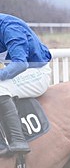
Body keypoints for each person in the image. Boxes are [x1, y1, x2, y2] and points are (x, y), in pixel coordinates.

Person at [0, 13, 53, 155]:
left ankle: (18, 140)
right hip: (16, 74)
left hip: (36, 73)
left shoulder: (10, 28)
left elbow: (20, 64)